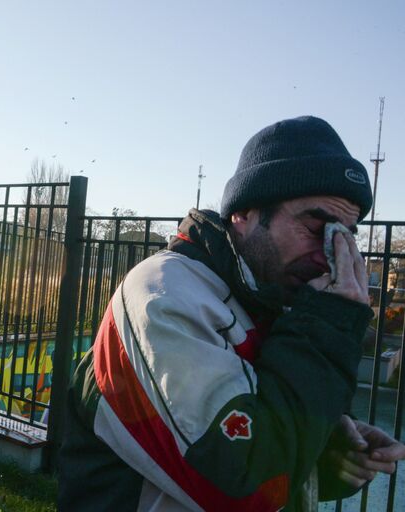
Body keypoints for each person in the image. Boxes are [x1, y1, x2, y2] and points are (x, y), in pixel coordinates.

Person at [57, 116, 405, 511]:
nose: (330, 257)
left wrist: (326, 450)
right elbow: (240, 480)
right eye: (316, 228)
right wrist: (329, 324)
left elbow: (268, 443)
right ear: (244, 213)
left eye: (344, 236)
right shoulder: (165, 293)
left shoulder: (271, 303)